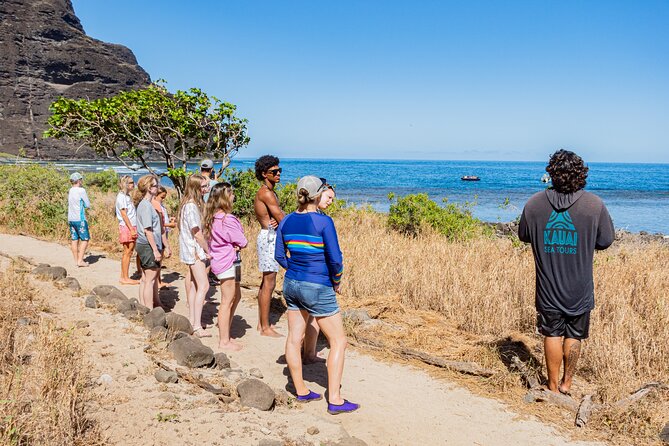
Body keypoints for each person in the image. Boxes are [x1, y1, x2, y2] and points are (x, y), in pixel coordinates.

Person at [518, 149, 614, 395]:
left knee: (552, 333)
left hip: (547, 287)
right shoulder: (594, 205)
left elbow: (524, 236)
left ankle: (551, 385)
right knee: (574, 335)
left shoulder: (534, 204)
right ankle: (566, 384)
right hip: (580, 288)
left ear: (551, 173)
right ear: (581, 174)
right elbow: (605, 241)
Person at [275, 176, 359, 414]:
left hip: (292, 283)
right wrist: (337, 280)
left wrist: (295, 269)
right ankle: (335, 400)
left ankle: (301, 391)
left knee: (293, 338)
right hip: (317, 285)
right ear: (317, 194)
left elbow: (280, 255)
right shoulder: (324, 222)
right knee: (339, 341)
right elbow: (335, 258)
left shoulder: (287, 220)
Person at [203, 182, 248, 351]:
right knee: (227, 301)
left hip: (222, 260)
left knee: (235, 296)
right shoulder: (227, 219)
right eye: (231, 194)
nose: (234, 196)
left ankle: (225, 331)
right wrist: (238, 243)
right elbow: (242, 240)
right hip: (228, 261)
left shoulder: (212, 217)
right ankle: (224, 340)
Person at [303, 182, 336, 363]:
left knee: (308, 317)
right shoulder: (320, 219)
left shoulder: (300, 216)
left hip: (301, 274)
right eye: (328, 197)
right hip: (315, 275)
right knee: (313, 316)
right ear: (318, 194)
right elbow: (333, 254)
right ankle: (308, 353)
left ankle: (308, 352)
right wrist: (335, 277)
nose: (330, 201)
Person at [253, 155, 285, 337]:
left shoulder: (270, 192)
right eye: (274, 172)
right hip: (269, 238)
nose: (278, 174)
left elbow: (279, 215)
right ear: (265, 174)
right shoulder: (265, 193)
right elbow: (280, 217)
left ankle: (262, 324)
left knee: (267, 281)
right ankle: (265, 327)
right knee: (269, 282)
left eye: (280, 170)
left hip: (269, 236)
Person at [179, 174, 212, 337]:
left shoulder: (188, 204)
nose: (207, 189)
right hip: (195, 251)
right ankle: (197, 326)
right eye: (204, 186)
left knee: (193, 285)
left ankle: (193, 320)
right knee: (203, 286)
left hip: (190, 249)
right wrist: (207, 250)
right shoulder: (191, 206)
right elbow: (197, 233)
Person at [134, 175, 170, 308]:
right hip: (148, 246)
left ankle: (144, 307)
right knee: (149, 280)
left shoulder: (145, 204)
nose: (157, 187)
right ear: (149, 188)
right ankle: (148, 310)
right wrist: (155, 250)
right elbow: (148, 230)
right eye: (155, 185)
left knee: (145, 278)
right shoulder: (146, 206)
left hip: (144, 245)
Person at [115, 175, 139, 284]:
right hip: (127, 227)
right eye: (130, 182)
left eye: (132, 182)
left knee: (129, 252)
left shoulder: (127, 196)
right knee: (127, 252)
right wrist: (131, 229)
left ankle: (123, 276)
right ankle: (125, 278)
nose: (132, 184)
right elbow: (124, 214)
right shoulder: (122, 197)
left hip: (131, 226)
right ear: (124, 184)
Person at [67, 172, 91, 267]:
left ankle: (76, 260)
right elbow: (87, 204)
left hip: (71, 218)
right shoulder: (81, 190)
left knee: (74, 239)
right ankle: (80, 261)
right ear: (79, 180)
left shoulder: (71, 190)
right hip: (79, 218)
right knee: (85, 239)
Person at [152, 186, 174, 288]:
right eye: (162, 197)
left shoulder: (161, 205)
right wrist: (169, 225)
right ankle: (157, 281)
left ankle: (158, 280)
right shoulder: (155, 206)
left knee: (160, 260)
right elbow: (159, 224)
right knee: (158, 259)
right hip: (159, 234)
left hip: (164, 233)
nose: (163, 199)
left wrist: (169, 220)